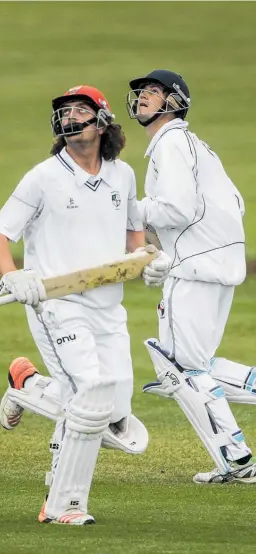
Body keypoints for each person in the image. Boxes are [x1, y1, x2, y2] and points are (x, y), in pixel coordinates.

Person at [0, 85, 172, 525]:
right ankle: (64, 506)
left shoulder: (122, 175)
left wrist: (149, 261)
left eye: (79, 110)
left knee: (116, 417)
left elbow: (133, 237)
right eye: (64, 111)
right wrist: (13, 274)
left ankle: (28, 387)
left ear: (102, 119)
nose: (69, 117)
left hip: (109, 306)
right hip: (57, 304)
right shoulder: (42, 177)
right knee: (89, 393)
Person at [126, 70, 256, 484]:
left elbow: (178, 209)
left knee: (181, 369)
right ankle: (233, 460)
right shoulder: (193, 144)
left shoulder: (171, 143)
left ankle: (238, 460)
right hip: (216, 263)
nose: (143, 97)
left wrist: (130, 211)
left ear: (174, 101)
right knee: (194, 364)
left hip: (197, 267)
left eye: (153, 92)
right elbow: (233, 203)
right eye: (142, 92)